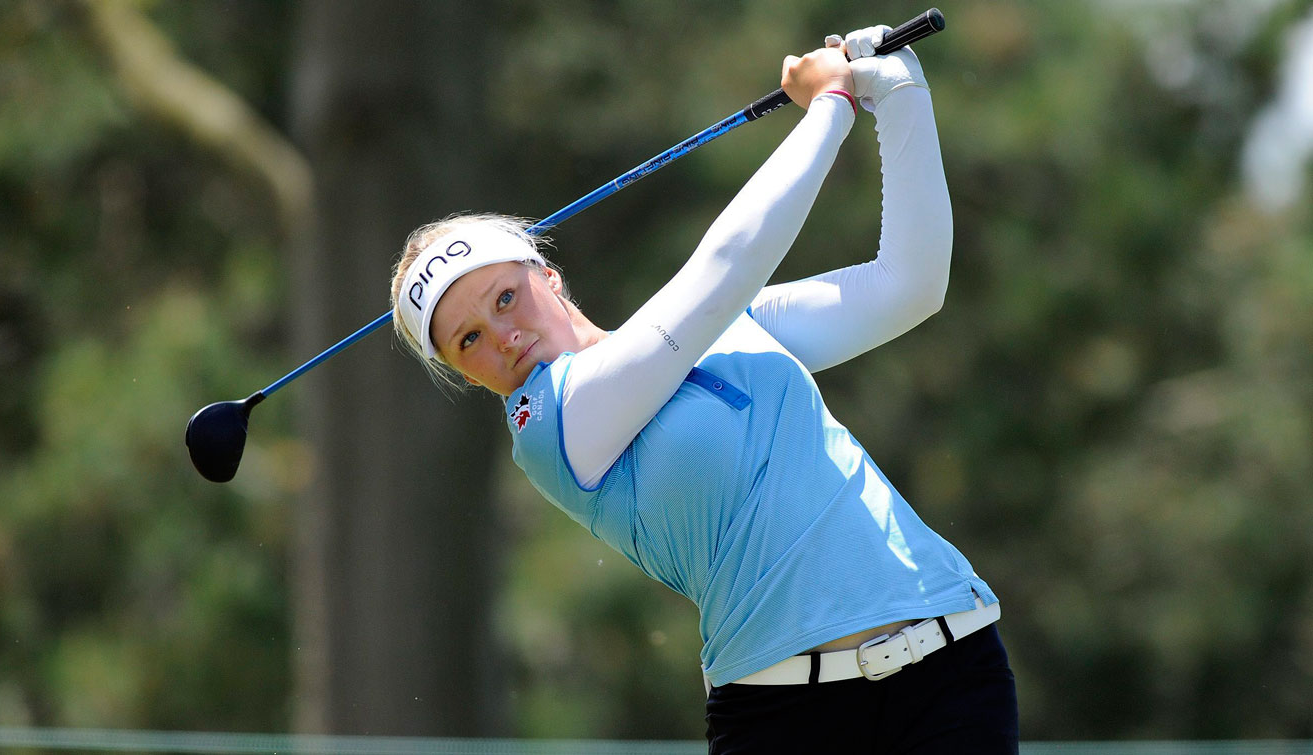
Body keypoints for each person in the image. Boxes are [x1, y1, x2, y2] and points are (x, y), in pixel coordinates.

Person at [389, 26, 1017, 754]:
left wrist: (898, 89)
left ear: (546, 275)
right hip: (786, 716)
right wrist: (832, 105)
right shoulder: (549, 425)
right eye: (467, 340)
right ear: (463, 373)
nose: (501, 336)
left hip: (950, 659)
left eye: (504, 298)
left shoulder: (732, 324)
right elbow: (723, 267)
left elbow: (909, 285)